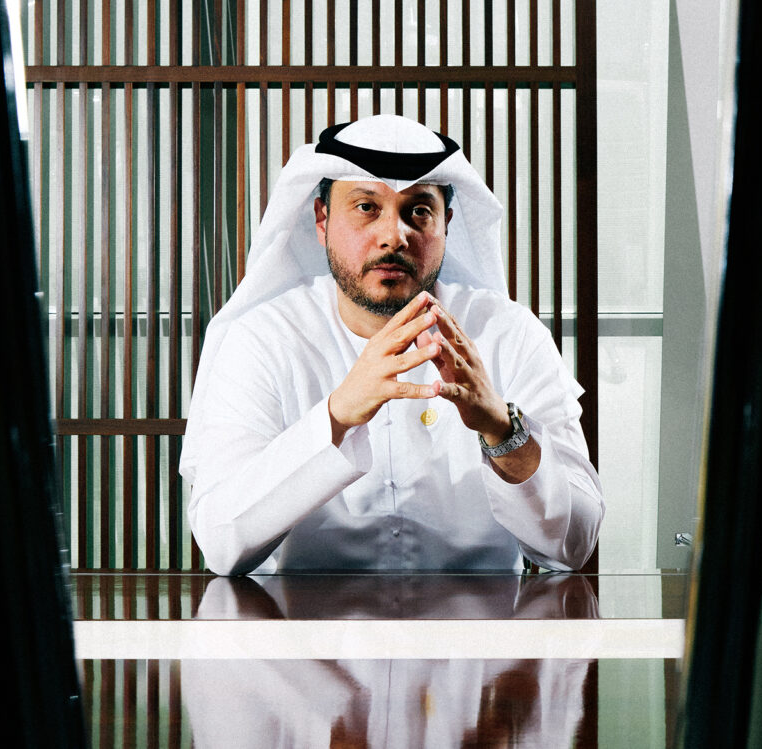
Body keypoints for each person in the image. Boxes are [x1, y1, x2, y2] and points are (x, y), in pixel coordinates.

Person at [180, 115, 603, 574]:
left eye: (418, 211)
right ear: (322, 220)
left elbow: (573, 546)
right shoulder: (263, 339)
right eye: (366, 207)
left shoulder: (510, 334)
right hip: (303, 636)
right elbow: (221, 544)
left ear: (447, 225)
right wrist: (338, 414)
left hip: (481, 637)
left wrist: (502, 429)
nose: (393, 235)